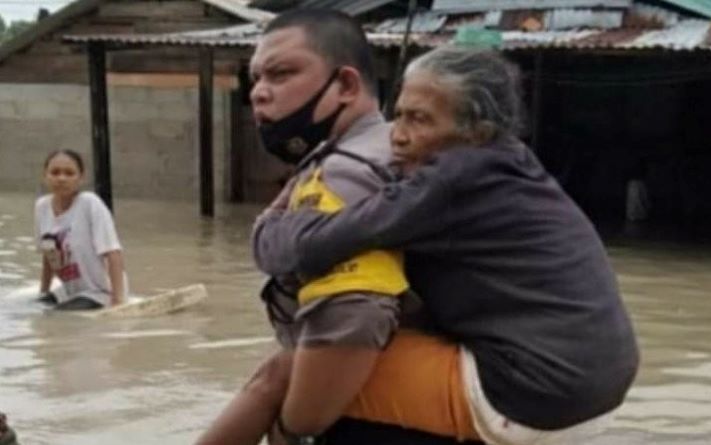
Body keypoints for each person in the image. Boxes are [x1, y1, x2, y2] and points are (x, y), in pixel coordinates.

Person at [254, 46, 640, 445]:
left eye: (419, 120)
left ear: (477, 131)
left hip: (533, 393)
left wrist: (271, 225)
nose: (397, 136)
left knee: (295, 378)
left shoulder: (453, 179)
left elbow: (316, 245)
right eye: (399, 115)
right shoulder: (510, 163)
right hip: (592, 389)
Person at [196, 10, 465, 445]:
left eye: (281, 74)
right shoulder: (390, 150)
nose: (260, 94)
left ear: (346, 85)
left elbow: (352, 318)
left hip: (379, 411)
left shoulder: (346, 171)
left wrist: (296, 426)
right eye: (256, 78)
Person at [35, 150, 127, 311]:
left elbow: (113, 253)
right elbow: (48, 255)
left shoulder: (90, 204)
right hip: (70, 291)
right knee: (32, 309)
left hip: (99, 292)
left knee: (54, 317)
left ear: (81, 177)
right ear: (45, 175)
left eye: (69, 173)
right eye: (55, 172)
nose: (61, 178)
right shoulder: (42, 207)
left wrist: (118, 301)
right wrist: (43, 292)